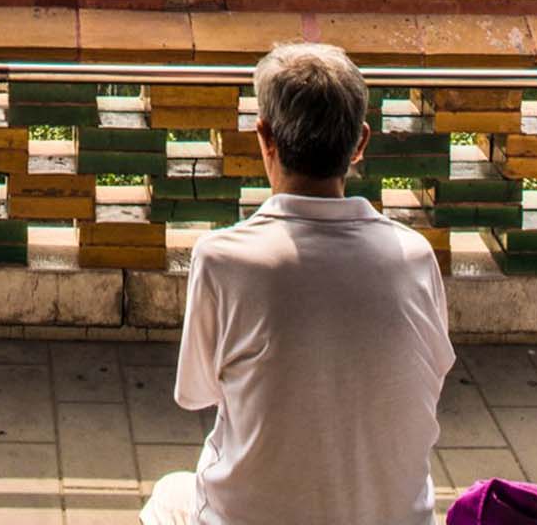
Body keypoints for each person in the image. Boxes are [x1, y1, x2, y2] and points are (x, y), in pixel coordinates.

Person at [141, 43, 455, 525]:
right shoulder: (413, 257)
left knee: (168, 497)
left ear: (264, 136)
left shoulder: (224, 258)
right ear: (360, 142)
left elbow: (198, 393)